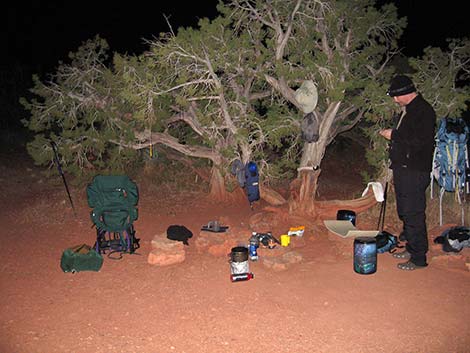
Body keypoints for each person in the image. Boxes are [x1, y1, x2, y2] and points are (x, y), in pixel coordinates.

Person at [379, 75, 436, 271]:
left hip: (415, 170)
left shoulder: (424, 111)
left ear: (406, 92)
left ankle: (419, 257)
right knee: (405, 210)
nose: (395, 100)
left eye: (396, 96)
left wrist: (393, 135)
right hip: (404, 168)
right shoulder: (409, 110)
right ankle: (412, 248)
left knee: (413, 212)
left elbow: (420, 140)